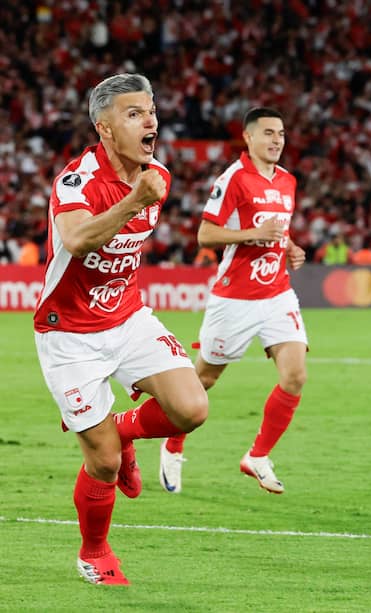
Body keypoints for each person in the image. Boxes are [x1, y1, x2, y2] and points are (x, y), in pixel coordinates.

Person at [33, 73, 209, 585]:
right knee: (104, 463)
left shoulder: (158, 175)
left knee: (191, 408)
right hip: (69, 334)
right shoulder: (77, 181)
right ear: (105, 128)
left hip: (127, 317)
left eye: (151, 111)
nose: (150, 120)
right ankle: (94, 552)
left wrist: (141, 193)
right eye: (134, 113)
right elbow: (77, 240)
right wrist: (133, 200)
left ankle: (125, 429)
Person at [159, 107, 307, 495]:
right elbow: (206, 235)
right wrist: (251, 234)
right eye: (269, 133)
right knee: (203, 380)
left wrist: (290, 247)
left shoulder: (288, 180)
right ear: (248, 137)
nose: (277, 140)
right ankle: (172, 444)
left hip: (277, 293)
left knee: (295, 375)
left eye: (281, 134)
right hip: (235, 299)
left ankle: (257, 456)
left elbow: (279, 230)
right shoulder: (234, 179)